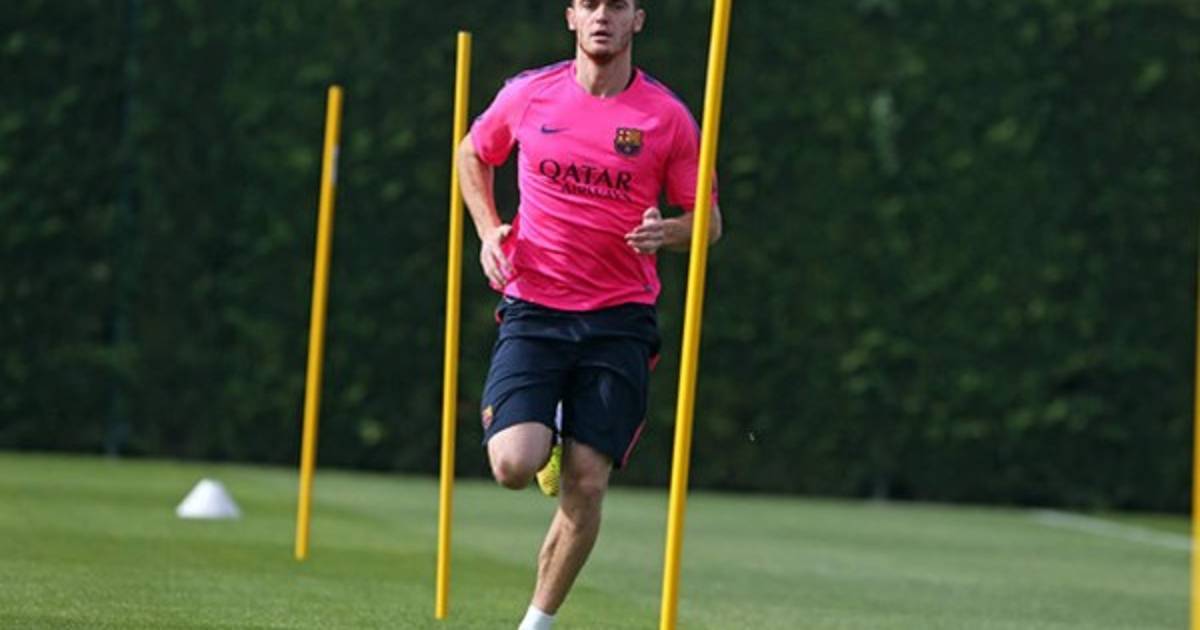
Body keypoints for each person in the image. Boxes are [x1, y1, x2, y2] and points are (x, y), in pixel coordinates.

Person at [457, 1, 721, 628]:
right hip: (535, 307)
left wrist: (668, 231)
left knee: (587, 482)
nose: (603, 16)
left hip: (619, 318)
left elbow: (707, 223)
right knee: (513, 465)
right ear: (571, 17)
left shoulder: (668, 117)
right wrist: (489, 231)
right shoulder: (529, 94)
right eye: (590, 4)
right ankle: (547, 427)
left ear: (638, 20)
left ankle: (536, 624)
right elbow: (473, 152)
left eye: (618, 5)